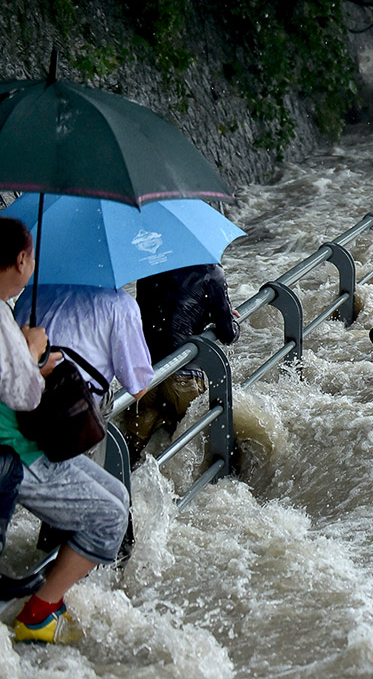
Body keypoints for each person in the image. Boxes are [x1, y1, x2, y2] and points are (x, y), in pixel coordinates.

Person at [0, 217, 129, 644]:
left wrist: (29, 358)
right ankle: (38, 614)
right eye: (32, 256)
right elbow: (23, 395)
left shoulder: (6, 309)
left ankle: (46, 600)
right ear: (21, 260)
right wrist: (32, 352)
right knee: (110, 516)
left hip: (22, 438)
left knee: (119, 496)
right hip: (15, 450)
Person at [129, 264, 239, 466]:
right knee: (211, 450)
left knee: (130, 456)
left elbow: (155, 311)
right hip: (184, 377)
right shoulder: (210, 270)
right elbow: (228, 334)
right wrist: (225, 315)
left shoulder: (148, 267)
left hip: (145, 376)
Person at [14, 284, 154, 407]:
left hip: (18, 401)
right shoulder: (120, 304)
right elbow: (138, 388)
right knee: (107, 398)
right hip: (71, 413)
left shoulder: (33, 289)